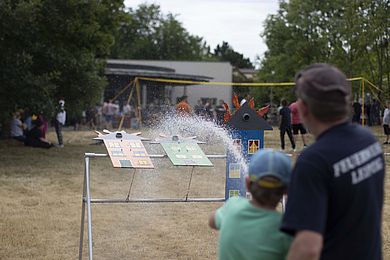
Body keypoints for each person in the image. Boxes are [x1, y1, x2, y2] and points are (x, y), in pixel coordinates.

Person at [281, 64, 385, 260]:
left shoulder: (313, 161)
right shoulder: (369, 141)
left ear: (302, 108)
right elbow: (346, 192)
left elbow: (307, 248)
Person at [209, 149, 292, 260]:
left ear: (247, 184)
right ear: (286, 191)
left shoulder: (232, 206)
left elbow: (212, 221)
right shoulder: (285, 229)